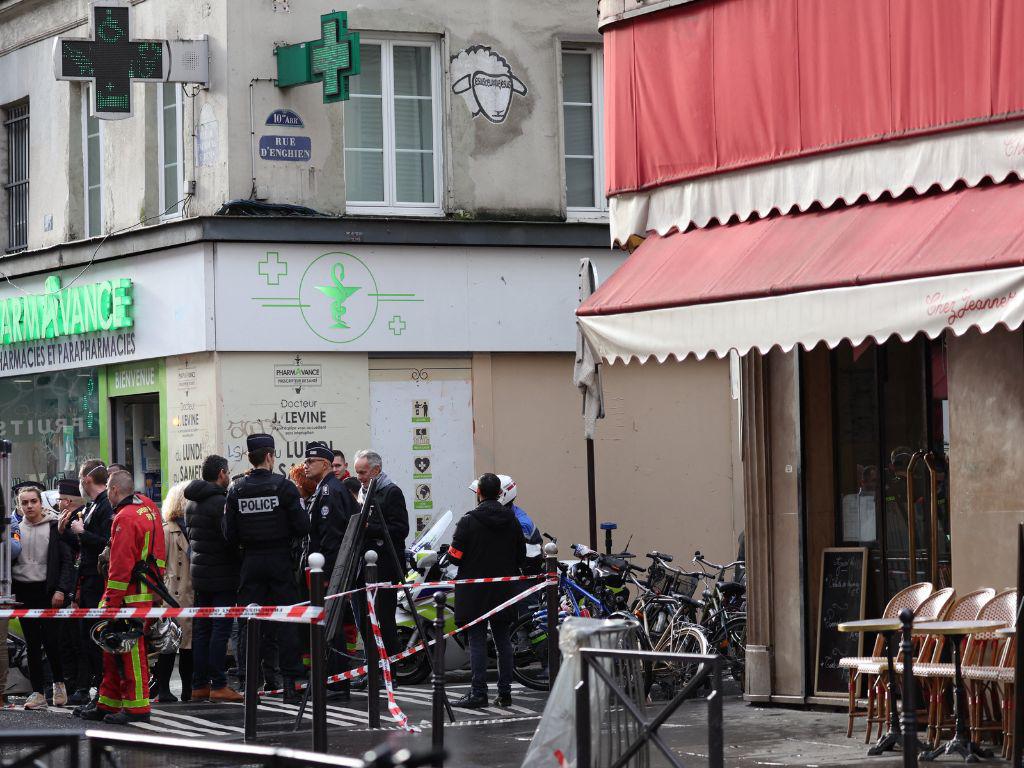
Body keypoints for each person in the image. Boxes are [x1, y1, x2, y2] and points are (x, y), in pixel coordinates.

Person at [222, 434, 309, 704]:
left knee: (250, 623)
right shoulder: (283, 487)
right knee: (287, 621)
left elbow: (229, 533)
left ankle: (249, 685)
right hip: (280, 560)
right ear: (270, 456)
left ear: (251, 457)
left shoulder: (236, 489)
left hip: (251, 561)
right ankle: (292, 685)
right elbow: (302, 526)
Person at [80, 471, 166, 724]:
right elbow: (158, 552)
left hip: (128, 596)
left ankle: (137, 708)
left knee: (130, 654)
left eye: (107, 486)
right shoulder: (148, 507)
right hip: (144, 590)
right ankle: (108, 702)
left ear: (115, 490)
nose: (106, 491)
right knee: (112, 650)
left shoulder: (124, 518)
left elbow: (119, 565)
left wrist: (111, 602)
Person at [450, 473, 525, 709]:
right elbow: (520, 555)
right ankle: (505, 693)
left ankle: (478, 692)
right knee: (503, 640)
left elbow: (454, 556)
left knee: (477, 640)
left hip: (474, 591)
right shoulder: (512, 520)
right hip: (503, 589)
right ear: (500, 493)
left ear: (479, 493)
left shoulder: (469, 521)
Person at [184, 454, 243, 702]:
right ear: (221, 473)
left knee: (202, 630)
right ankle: (219, 684)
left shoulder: (191, 503)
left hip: (200, 574)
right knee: (220, 629)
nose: (228, 476)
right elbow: (230, 537)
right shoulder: (221, 502)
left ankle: (199, 685)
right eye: (227, 472)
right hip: (223, 574)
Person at [11, 485, 75, 710]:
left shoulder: (55, 526)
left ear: (40, 503)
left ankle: (59, 685)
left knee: (51, 641)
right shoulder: (15, 529)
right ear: (19, 505)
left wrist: (60, 589)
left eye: (33, 501)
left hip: (47, 591)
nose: (29, 506)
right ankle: (38, 692)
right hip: (23, 592)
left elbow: (67, 562)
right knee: (31, 644)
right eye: (24, 502)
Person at [353, 449, 409, 657]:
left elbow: (401, 529)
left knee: (384, 620)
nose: (359, 478)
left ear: (376, 470)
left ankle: (391, 670)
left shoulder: (392, 491)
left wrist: (369, 527)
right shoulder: (362, 492)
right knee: (365, 620)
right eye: (357, 472)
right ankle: (373, 668)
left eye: (363, 472)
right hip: (363, 567)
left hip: (385, 567)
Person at [69, 460, 113, 710]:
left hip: (98, 582)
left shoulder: (105, 505)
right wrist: (71, 531)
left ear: (86, 479)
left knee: (98, 637)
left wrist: (82, 533)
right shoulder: (94, 505)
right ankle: (99, 691)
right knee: (87, 639)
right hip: (87, 580)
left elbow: (107, 542)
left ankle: (103, 693)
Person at [151, 482, 194, 703]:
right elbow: (159, 564)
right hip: (172, 595)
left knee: (188, 646)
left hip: (189, 594)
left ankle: (188, 689)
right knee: (169, 644)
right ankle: (164, 689)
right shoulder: (167, 530)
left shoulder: (194, 528)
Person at [55, 478, 89, 706]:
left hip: (79, 586)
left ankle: (83, 686)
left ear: (67, 500)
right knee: (67, 641)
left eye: (60, 500)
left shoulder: (78, 519)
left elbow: (77, 555)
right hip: (70, 587)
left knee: (80, 642)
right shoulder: (65, 519)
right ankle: (73, 684)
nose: (58, 504)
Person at [0, 513, 21, 708]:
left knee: (0, 645)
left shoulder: (9, 519)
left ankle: (0, 694)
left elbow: (15, 549)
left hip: (1, 589)